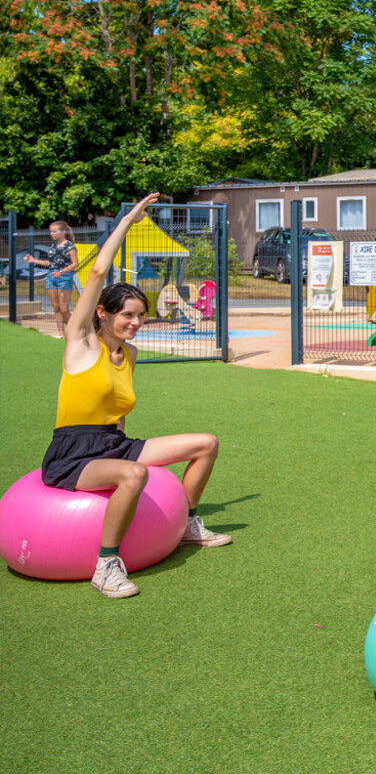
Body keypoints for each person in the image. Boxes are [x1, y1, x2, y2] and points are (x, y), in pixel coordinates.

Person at [40, 194, 228, 600]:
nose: (137, 322)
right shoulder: (80, 341)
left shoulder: (131, 354)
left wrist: (122, 442)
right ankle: (106, 566)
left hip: (114, 442)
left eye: (141, 315)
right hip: (73, 451)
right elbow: (98, 273)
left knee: (206, 444)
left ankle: (188, 525)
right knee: (134, 475)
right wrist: (127, 220)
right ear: (104, 314)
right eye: (128, 315)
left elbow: (118, 413)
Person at [23, 221, 80, 337]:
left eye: (54, 231)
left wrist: (61, 272)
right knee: (56, 307)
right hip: (50, 276)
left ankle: (72, 331)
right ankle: (61, 333)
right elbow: (51, 263)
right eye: (50, 231)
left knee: (64, 308)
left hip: (64, 277)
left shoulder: (70, 246)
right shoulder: (53, 246)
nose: (51, 234)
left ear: (63, 232)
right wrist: (33, 260)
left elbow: (75, 264)